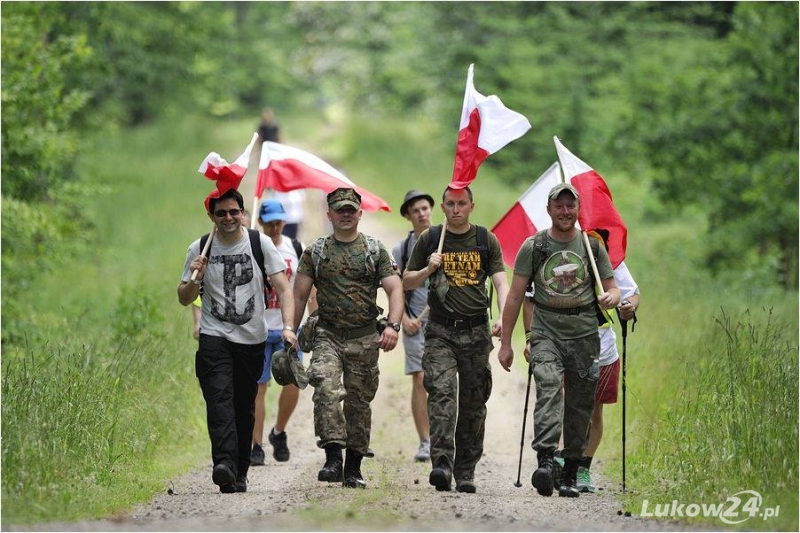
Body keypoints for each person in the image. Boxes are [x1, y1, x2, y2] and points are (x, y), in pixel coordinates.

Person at [498, 182, 620, 498]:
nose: (565, 212)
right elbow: (514, 296)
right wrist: (507, 343)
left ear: (578, 209)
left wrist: (611, 298)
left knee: (581, 404)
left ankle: (569, 472)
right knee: (549, 389)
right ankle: (545, 459)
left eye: (570, 206)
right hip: (545, 331)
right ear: (549, 209)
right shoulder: (534, 246)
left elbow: (613, 287)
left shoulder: (592, 248)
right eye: (559, 206)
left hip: (584, 333)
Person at [178, 188, 297, 494]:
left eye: (234, 212)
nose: (228, 218)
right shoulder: (200, 248)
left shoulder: (260, 244)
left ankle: (239, 469)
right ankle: (224, 464)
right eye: (221, 213)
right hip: (214, 336)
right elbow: (184, 297)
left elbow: (284, 289)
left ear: (243, 213)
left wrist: (287, 326)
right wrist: (195, 278)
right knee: (218, 400)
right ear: (211, 217)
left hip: (251, 339)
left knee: (243, 405)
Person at [292, 187, 404, 489]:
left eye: (350, 209)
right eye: (339, 209)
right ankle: (332, 456)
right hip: (328, 334)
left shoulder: (374, 249)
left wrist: (393, 325)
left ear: (359, 213)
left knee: (359, 402)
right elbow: (300, 294)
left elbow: (395, 288)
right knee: (326, 389)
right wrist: (291, 330)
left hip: (365, 338)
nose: (345, 214)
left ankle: (353, 467)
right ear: (329, 214)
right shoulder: (316, 252)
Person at [402, 185, 509, 494]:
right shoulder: (431, 239)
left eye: (462, 203)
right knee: (442, 395)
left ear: (472, 206)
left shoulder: (485, 240)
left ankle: (466, 470)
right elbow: (406, 280)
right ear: (444, 207)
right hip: (440, 332)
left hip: (476, 333)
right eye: (450, 203)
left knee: (474, 405)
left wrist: (503, 316)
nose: (456, 209)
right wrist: (428, 268)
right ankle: (442, 464)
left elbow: (501, 282)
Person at [521, 240, 640, 493]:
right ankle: (561, 461)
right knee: (562, 400)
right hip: (558, 338)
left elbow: (631, 293)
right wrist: (531, 337)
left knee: (593, 410)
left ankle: (582, 467)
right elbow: (528, 297)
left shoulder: (602, 254)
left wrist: (628, 308)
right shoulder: (547, 253)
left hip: (602, 345)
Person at [250, 200, 317, 466]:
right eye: (270, 221)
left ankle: (279, 431)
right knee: (259, 387)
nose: (276, 226)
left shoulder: (296, 249)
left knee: (293, 383)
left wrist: (315, 319)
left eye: (279, 221)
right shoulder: (253, 249)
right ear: (261, 222)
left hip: (289, 328)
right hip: (257, 328)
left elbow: (306, 288)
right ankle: (256, 445)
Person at [391, 190, 435, 462]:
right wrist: (402, 318)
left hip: (445, 323)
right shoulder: (402, 249)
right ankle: (426, 441)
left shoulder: (445, 242)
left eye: (425, 208)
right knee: (419, 378)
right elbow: (395, 286)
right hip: (415, 323)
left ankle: (446, 436)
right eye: (415, 210)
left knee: (442, 382)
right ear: (408, 216)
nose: (421, 214)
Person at [192, 210, 251, 340]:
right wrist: (197, 322)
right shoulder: (208, 253)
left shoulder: (259, 251)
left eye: (244, 227)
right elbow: (199, 293)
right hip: (217, 333)